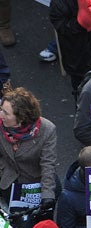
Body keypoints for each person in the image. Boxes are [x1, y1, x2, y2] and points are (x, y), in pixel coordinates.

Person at [0, 87, 56, 219]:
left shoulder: (47, 130)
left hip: (35, 185)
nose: (1, 115)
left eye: (6, 113)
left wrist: (47, 195)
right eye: (1, 109)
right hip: (9, 182)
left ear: (21, 119)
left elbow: (48, 165)